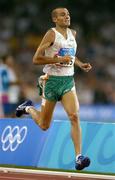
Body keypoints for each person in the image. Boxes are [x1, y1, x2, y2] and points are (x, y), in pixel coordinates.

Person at [16, 7, 92, 170]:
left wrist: (80, 64)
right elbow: (36, 59)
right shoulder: (51, 34)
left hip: (67, 82)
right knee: (44, 125)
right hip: (51, 82)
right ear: (55, 19)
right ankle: (28, 108)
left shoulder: (74, 34)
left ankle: (79, 157)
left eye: (68, 14)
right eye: (63, 15)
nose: (67, 16)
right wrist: (56, 59)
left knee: (74, 116)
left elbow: (70, 56)